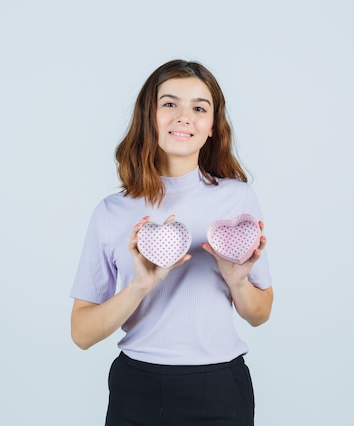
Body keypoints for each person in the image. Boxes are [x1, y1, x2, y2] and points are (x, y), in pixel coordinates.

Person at [70, 59, 274, 426]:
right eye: (169, 103)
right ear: (149, 117)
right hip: (137, 387)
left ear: (212, 126)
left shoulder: (238, 201)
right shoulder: (111, 212)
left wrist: (237, 280)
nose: (184, 116)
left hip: (220, 388)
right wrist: (140, 286)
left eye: (199, 108)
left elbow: (260, 314)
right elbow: (81, 334)